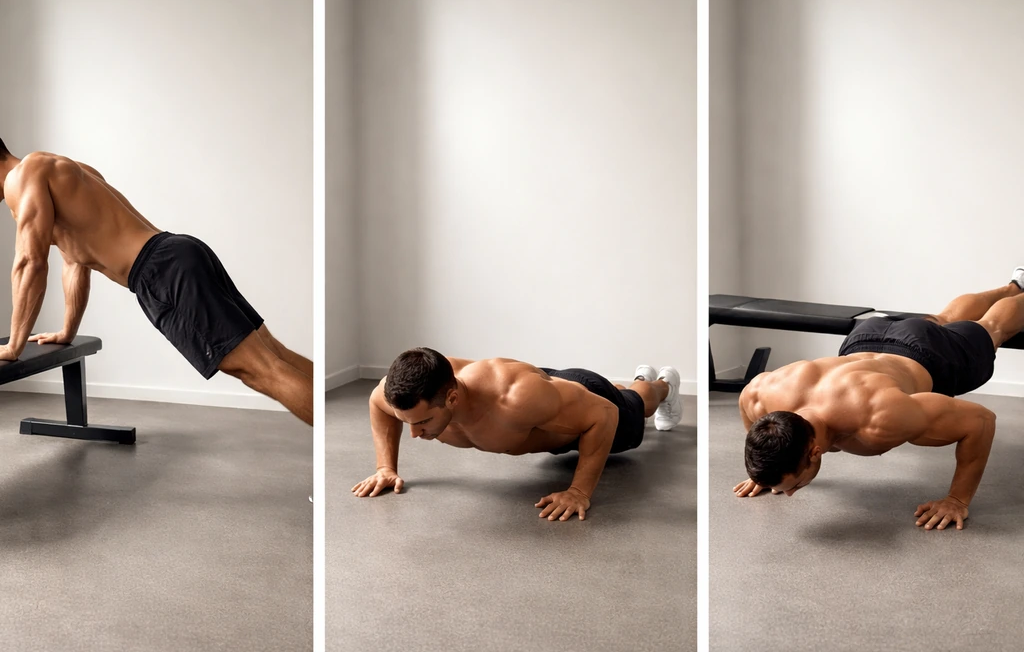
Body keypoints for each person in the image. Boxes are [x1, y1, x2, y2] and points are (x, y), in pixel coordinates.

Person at [0, 142, 312, 425]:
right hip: (179, 251)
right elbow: (75, 261)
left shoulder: (21, 178)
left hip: (160, 270)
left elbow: (30, 263)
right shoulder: (62, 168)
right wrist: (68, 332)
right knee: (275, 355)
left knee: (260, 370)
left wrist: (14, 345)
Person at [733, 269, 1024, 531]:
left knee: (991, 327)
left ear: (815, 452)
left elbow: (980, 421)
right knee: (945, 319)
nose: (791, 493)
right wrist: (766, 470)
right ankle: (1014, 284)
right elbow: (748, 400)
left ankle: (1018, 289)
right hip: (867, 336)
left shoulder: (879, 418)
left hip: (930, 355)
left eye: (793, 485)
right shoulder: (764, 394)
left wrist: (957, 499)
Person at [351, 347, 683, 521]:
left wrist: (579, 491)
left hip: (572, 399)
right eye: (406, 421)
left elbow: (604, 414)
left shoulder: (514, 399)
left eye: (421, 422)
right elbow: (376, 404)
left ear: (451, 398)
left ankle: (661, 384)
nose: (413, 433)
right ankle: (626, 387)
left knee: (634, 405)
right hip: (551, 402)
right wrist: (386, 467)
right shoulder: (402, 392)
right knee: (588, 400)